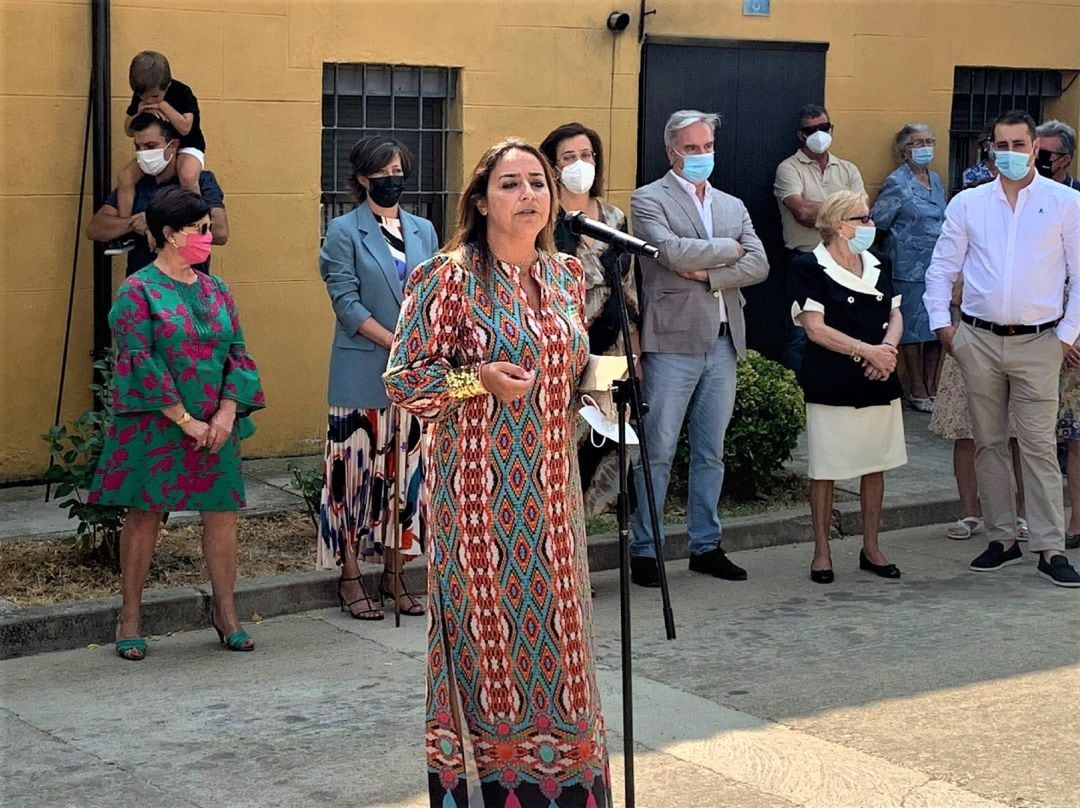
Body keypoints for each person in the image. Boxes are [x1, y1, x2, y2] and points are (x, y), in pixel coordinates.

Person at [384, 139, 611, 807]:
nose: (530, 195)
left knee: (562, 646)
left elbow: (567, 367)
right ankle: (491, 792)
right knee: (489, 655)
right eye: (511, 184)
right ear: (481, 200)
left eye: (537, 182)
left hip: (553, 494)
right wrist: (472, 379)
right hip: (478, 503)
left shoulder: (568, 274)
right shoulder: (446, 277)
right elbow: (403, 381)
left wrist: (599, 389)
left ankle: (566, 792)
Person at [87, 188, 265, 659]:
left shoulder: (217, 290)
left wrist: (226, 413)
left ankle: (226, 613)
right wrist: (185, 421)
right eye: (200, 229)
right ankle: (130, 616)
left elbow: (239, 356)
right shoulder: (138, 290)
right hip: (158, 421)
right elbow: (139, 361)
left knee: (221, 514)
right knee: (144, 515)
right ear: (169, 234)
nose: (209, 237)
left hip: (216, 424)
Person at [925, 109, 1080, 588]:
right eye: (1001, 145)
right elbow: (942, 267)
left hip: (1039, 340)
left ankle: (1050, 548)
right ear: (990, 149)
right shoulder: (969, 204)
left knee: (1037, 446)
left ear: (1035, 148)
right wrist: (942, 327)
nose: (1009, 154)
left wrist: (1066, 336)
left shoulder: (1064, 203)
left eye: (1018, 145)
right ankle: (1002, 539)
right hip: (978, 339)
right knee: (988, 444)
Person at [628, 109, 769, 588]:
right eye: (691, 148)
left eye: (707, 147)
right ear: (672, 152)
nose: (701, 156)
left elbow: (761, 262)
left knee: (711, 451)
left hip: (725, 342)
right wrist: (730, 250)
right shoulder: (648, 198)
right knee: (660, 448)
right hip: (672, 341)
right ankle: (646, 549)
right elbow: (667, 253)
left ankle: (705, 545)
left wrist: (709, 267)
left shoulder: (732, 204)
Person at [316, 136, 437, 620]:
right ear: (363, 177)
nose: (394, 178)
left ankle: (395, 573)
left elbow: (434, 292)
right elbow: (346, 303)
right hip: (360, 372)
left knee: (405, 478)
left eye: (399, 169)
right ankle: (349, 578)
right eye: (384, 170)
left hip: (415, 376)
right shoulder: (343, 231)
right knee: (354, 479)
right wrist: (395, 342)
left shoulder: (424, 229)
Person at [790, 190, 907, 583]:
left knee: (875, 465)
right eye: (863, 218)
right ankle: (821, 552)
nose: (870, 225)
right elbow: (816, 328)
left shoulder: (877, 262)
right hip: (832, 380)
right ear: (840, 225)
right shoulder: (809, 266)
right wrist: (867, 352)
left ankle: (871, 547)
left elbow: (895, 313)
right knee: (826, 468)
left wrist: (887, 351)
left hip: (879, 378)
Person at [539, 122, 640, 517]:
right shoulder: (544, 220)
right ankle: (561, 564)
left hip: (610, 355)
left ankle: (580, 566)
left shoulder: (614, 219)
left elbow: (630, 289)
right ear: (552, 166)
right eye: (569, 157)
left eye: (587, 155)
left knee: (601, 450)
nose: (580, 164)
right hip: (563, 356)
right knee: (562, 453)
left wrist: (635, 357)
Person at [775, 103, 865, 371]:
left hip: (846, 260)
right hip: (806, 260)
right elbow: (801, 212)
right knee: (801, 334)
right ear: (800, 135)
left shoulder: (848, 169)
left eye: (823, 128)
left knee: (846, 329)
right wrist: (842, 213)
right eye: (811, 129)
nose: (819, 134)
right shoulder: (789, 168)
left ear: (831, 128)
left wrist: (823, 209)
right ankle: (797, 401)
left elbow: (861, 214)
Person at [87, 113, 227, 276]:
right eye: (138, 147)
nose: (143, 153)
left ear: (173, 145)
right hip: (142, 288)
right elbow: (95, 228)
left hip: (188, 287)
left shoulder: (201, 181)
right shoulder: (135, 184)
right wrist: (134, 223)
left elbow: (220, 233)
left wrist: (155, 221)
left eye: (151, 146)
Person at [870, 123, 946, 412]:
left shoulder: (935, 179)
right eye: (918, 142)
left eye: (930, 140)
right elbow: (877, 223)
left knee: (936, 327)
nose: (926, 147)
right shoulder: (897, 182)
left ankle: (932, 385)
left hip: (937, 265)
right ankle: (916, 387)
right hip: (908, 267)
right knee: (912, 330)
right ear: (904, 151)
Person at [111, 51, 206, 252]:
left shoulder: (182, 92)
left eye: (155, 95)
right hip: (160, 146)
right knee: (125, 177)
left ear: (167, 85)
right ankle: (126, 232)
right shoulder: (141, 97)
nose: (150, 100)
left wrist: (163, 106)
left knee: (187, 176)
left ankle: (196, 226)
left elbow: (186, 127)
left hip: (188, 145)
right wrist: (141, 110)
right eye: (145, 97)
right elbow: (129, 130)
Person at [1039, 120, 1080, 550]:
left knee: (1077, 437)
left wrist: (1074, 332)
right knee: (1041, 438)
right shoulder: (1026, 196)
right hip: (1039, 337)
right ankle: (1041, 522)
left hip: (1074, 338)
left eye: (1045, 155)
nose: (1037, 160)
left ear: (1065, 159)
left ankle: (1076, 524)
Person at [1035, 119, 1080, 191]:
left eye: (1043, 154)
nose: (1036, 157)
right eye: (1033, 151)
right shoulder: (1019, 190)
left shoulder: (1076, 196)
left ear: (1064, 160)